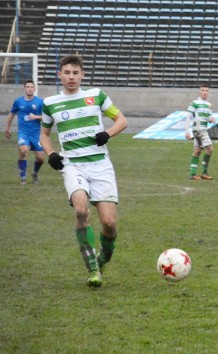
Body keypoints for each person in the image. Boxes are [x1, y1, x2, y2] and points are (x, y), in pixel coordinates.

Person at [40, 54, 128, 287]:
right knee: (81, 211)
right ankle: (92, 269)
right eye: (67, 73)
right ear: (59, 75)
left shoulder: (96, 96)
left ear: (82, 75)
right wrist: (51, 154)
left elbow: (121, 120)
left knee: (109, 223)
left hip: (100, 165)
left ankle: (103, 258)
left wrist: (107, 133)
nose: (71, 77)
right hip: (72, 165)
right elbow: (44, 135)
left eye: (75, 73)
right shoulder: (50, 103)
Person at [4, 80, 45, 184]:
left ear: (34, 89)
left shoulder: (40, 102)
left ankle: (35, 173)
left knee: (40, 158)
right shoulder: (18, 101)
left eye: (32, 87)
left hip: (36, 133)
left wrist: (36, 117)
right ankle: (23, 177)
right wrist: (7, 129)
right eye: (28, 87)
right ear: (24, 89)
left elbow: (46, 117)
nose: (30, 88)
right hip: (24, 133)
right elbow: (11, 115)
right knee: (23, 151)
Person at [185, 83, 216, 180]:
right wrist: (187, 131)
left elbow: (208, 117)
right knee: (210, 149)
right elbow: (188, 116)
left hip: (203, 128)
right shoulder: (195, 103)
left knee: (197, 151)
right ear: (200, 91)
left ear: (208, 92)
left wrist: (211, 119)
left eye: (206, 91)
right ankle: (204, 172)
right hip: (199, 129)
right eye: (203, 90)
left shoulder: (209, 105)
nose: (204, 92)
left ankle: (192, 173)